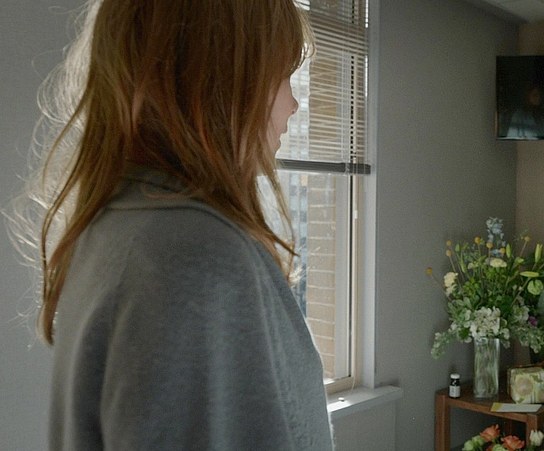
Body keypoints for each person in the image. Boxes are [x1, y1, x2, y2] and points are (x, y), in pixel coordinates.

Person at [7, 1, 334, 449]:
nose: (293, 104)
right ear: (217, 80)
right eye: (281, 76)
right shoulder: (193, 257)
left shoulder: (117, 228)